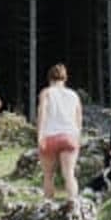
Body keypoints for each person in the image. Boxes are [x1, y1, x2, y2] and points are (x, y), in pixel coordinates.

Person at [37, 64, 82, 199]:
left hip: (50, 136)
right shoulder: (74, 95)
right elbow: (79, 118)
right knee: (69, 174)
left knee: (48, 175)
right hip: (69, 136)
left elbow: (42, 114)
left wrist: (39, 136)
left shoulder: (46, 92)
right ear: (65, 78)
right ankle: (73, 204)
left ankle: (48, 206)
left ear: (49, 78)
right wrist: (77, 137)